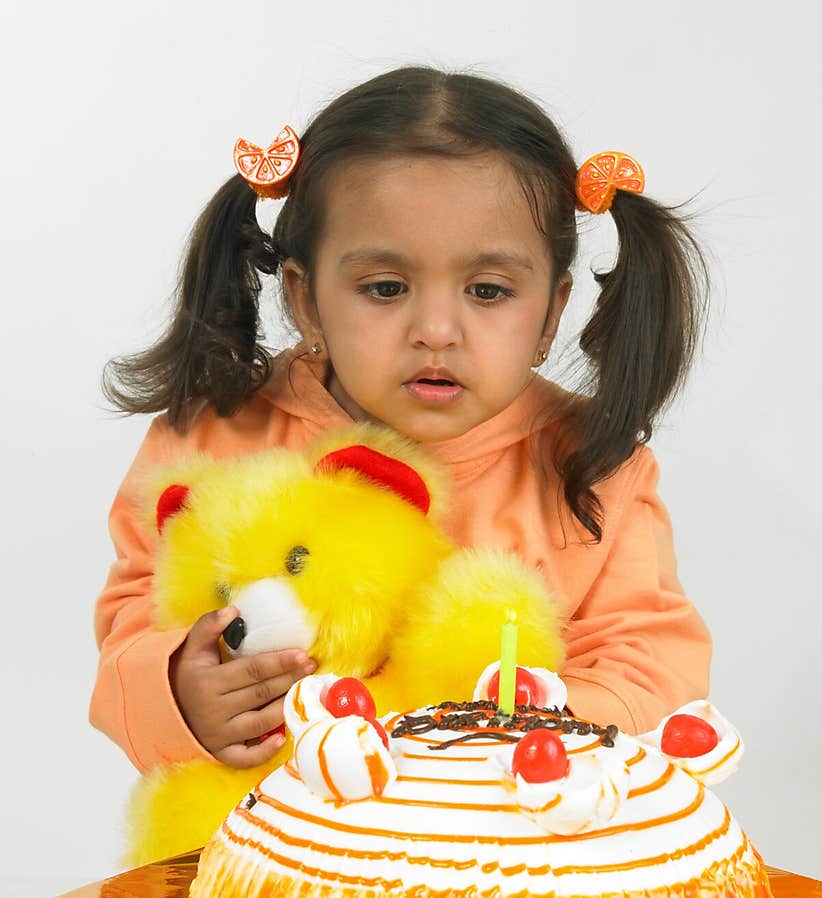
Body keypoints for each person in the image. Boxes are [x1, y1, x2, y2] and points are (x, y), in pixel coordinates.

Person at [90, 64, 713, 782]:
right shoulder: (215, 438)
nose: (438, 329)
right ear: (307, 299)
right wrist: (179, 689)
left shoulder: (595, 469)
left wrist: (546, 728)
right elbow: (133, 621)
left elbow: (651, 659)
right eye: (385, 288)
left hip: (496, 858)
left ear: (551, 311)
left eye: (488, 290)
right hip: (264, 853)